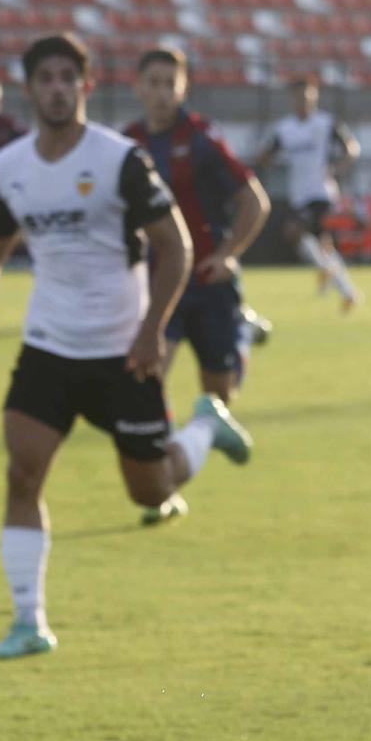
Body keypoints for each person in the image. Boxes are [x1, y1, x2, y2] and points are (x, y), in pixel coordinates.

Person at [0, 33, 253, 660]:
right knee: (22, 474)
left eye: (68, 78)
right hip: (49, 347)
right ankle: (28, 623)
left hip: (123, 352)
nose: (56, 88)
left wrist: (148, 332)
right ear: (29, 90)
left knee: (151, 490)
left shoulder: (120, 159)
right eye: (45, 79)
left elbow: (176, 249)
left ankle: (203, 429)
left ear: (84, 88)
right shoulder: (9, 165)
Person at [121, 45, 270, 525]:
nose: (163, 93)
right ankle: (162, 487)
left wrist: (227, 254)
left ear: (182, 88)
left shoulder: (201, 138)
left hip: (208, 283)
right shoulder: (127, 145)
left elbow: (254, 200)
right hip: (162, 286)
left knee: (219, 397)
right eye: (154, 83)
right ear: (138, 87)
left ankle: (241, 333)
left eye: (171, 84)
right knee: (148, 385)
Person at [255, 77, 362, 311]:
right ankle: (348, 293)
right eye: (298, 97)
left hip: (320, 192)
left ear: (314, 97)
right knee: (323, 246)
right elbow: (265, 154)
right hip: (298, 194)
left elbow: (352, 148)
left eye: (307, 96)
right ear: (291, 99)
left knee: (293, 231)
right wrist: (264, 160)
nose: (303, 101)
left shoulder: (325, 123)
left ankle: (326, 273)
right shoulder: (285, 129)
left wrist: (339, 167)